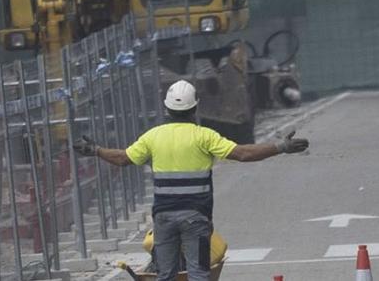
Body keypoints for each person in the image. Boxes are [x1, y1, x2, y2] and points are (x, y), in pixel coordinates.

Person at [74, 80, 308, 281]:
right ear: (195, 108)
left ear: (166, 108)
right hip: (195, 218)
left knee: (166, 275)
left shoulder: (153, 137)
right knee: (198, 275)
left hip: (164, 219)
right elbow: (243, 153)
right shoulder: (204, 136)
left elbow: (123, 158)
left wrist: (96, 150)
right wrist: (280, 147)